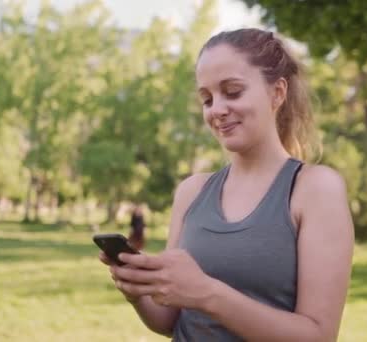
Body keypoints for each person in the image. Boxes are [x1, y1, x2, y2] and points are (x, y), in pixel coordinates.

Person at [99, 28, 354, 341]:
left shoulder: (314, 189)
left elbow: (318, 336)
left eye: (232, 92)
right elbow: (169, 321)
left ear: (277, 93)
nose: (217, 110)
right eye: (207, 99)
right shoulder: (192, 191)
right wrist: (137, 291)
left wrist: (206, 293)